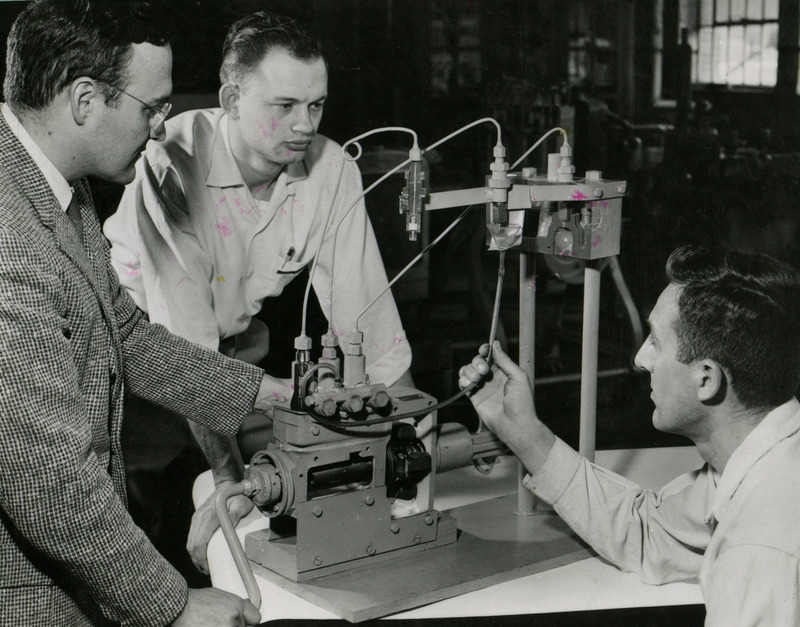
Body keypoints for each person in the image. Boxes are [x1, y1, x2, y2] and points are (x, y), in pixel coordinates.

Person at [0, 1, 293, 624]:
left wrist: (267, 394)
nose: (162, 128)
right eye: (151, 108)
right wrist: (176, 605)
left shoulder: (57, 187)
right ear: (85, 101)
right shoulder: (8, 235)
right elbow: (47, 479)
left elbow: (125, 335)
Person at [103, 11, 413, 575]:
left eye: (316, 105)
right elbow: (186, 360)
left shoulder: (332, 169)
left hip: (235, 347)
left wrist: (413, 443)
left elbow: (368, 320)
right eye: (286, 106)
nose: (305, 125)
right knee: (137, 528)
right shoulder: (172, 161)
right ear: (232, 98)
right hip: (138, 355)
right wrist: (230, 481)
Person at [459, 245, 800, 626]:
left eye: (655, 341)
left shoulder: (761, 548)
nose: (640, 359)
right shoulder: (760, 457)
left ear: (706, 379)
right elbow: (649, 530)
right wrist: (523, 434)